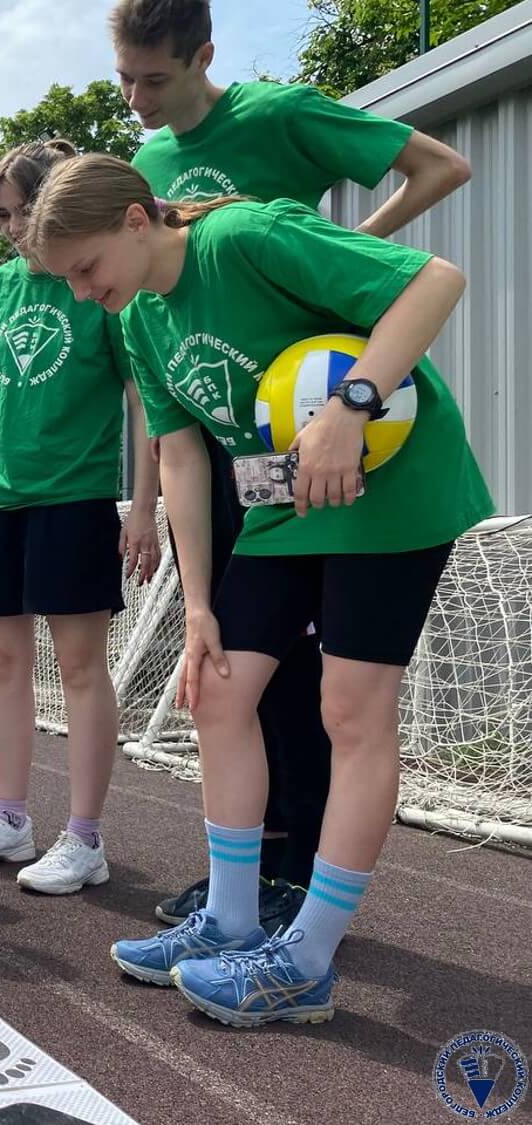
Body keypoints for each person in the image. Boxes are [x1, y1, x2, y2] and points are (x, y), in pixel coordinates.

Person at [26, 153, 492, 1026]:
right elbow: (181, 456)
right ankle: (232, 921)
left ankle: (307, 959)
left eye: (86, 269)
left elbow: (435, 279)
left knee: (351, 711)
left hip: (387, 484)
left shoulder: (246, 236)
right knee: (220, 689)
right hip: (279, 492)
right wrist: (197, 604)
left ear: (136, 219)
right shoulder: (139, 321)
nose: (84, 293)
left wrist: (351, 408)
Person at [109, 0, 473, 930]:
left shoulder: (272, 122)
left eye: (155, 78)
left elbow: (442, 166)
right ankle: (250, 886)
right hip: (251, 453)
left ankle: (307, 887)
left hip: (341, 417)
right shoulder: (144, 183)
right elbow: (176, 445)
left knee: (338, 692)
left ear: (203, 58)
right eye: (124, 79)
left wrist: (350, 269)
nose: (138, 98)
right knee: (232, 673)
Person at [0, 141, 160, 894]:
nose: (10, 227)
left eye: (20, 210)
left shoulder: (98, 284)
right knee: (2, 664)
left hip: (76, 495)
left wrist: (144, 506)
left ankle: (86, 836)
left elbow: (141, 397)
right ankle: (10, 816)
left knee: (80, 669)